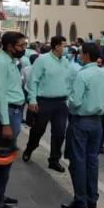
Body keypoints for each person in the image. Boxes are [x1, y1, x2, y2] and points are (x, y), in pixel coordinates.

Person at [63, 43, 104, 208]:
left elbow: (75, 101)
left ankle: (80, 200)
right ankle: (92, 198)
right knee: (92, 160)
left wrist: (68, 104)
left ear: (85, 56)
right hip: (97, 121)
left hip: (81, 120)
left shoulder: (82, 75)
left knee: (78, 161)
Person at [0, 32, 27, 208]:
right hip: (7, 113)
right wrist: (6, 123)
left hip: (13, 112)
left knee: (7, 156)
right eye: (20, 46)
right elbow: (0, 95)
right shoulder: (1, 63)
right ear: (10, 46)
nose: (23, 49)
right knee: (3, 156)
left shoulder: (9, 61)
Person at [23, 35, 71, 172]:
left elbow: (68, 81)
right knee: (38, 129)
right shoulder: (42, 60)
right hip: (44, 101)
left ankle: (54, 160)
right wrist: (32, 99)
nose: (65, 48)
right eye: (64, 45)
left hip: (61, 102)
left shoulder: (65, 62)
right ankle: (30, 148)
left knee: (60, 132)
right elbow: (33, 81)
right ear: (56, 46)